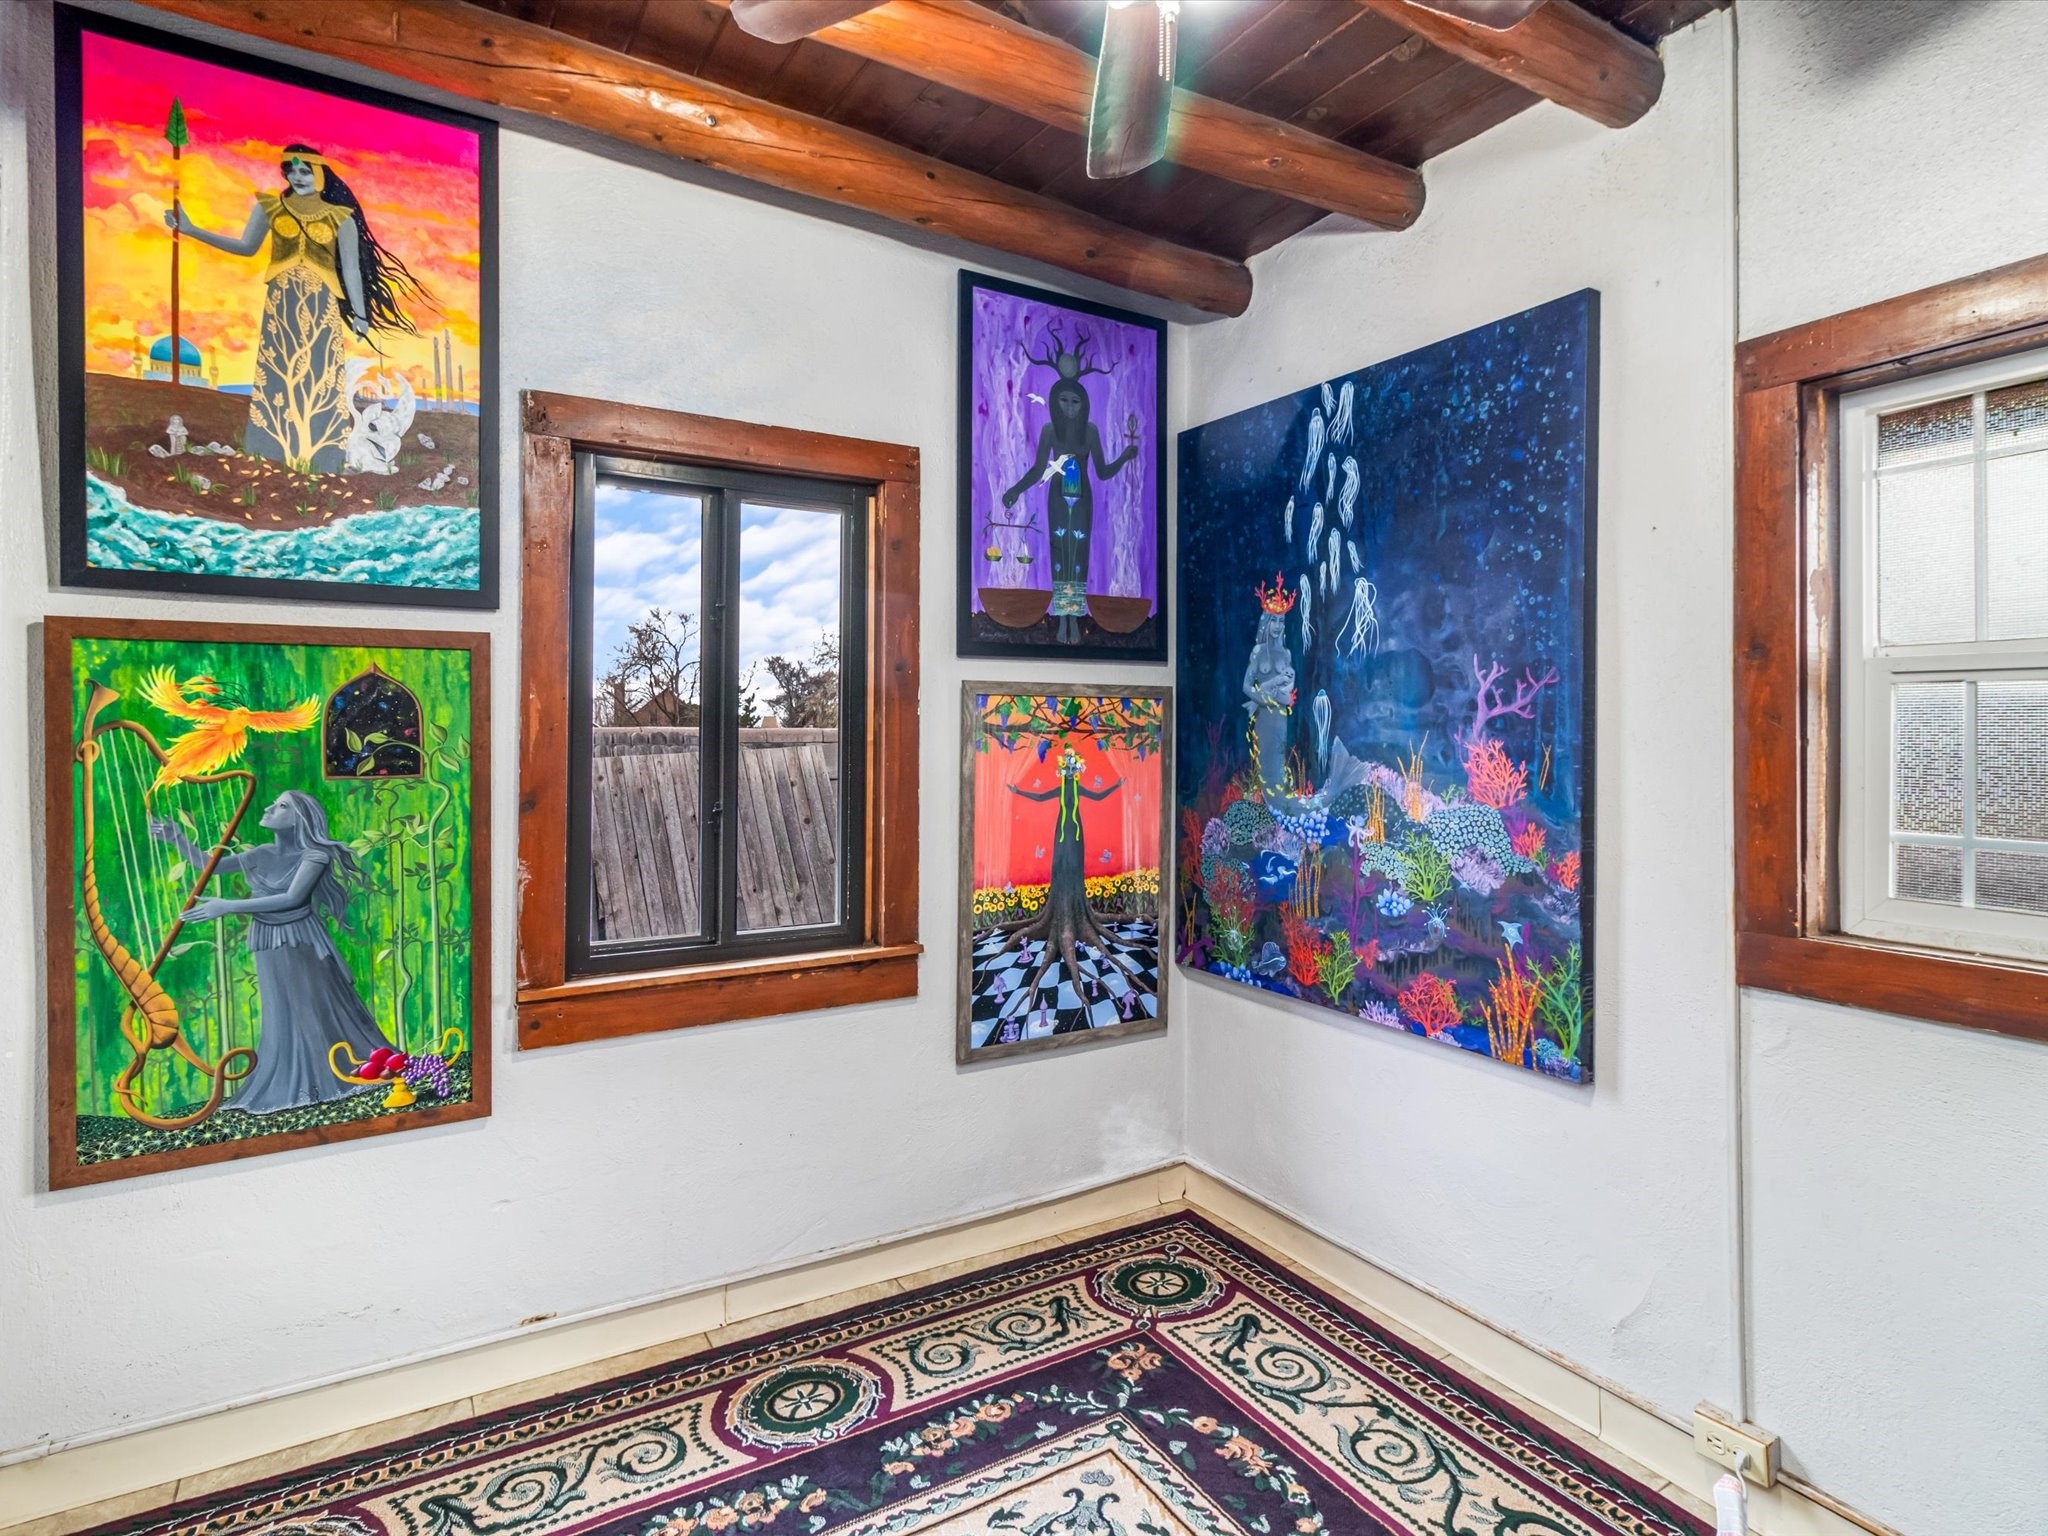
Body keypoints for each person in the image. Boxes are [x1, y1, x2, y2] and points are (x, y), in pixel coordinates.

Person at [164, 144, 425, 473]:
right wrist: (190, 230)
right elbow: (245, 247)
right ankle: (271, 456)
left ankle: (321, 460)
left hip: (321, 305)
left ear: (320, 174)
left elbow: (352, 270)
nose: (297, 176)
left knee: (319, 377)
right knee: (279, 375)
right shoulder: (271, 208)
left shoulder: (340, 218)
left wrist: (361, 315)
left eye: (305, 171)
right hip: (282, 303)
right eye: (291, 170)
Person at [150, 789, 393, 1115]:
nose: (269, 808)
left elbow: (293, 899)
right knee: (280, 1009)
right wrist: (177, 838)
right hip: (266, 939)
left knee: (309, 1007)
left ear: (299, 820)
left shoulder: (314, 856)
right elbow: (210, 867)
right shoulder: (261, 853)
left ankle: (327, 1077)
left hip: (299, 940)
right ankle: (292, 1080)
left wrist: (227, 906)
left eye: (281, 806)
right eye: (274, 803)